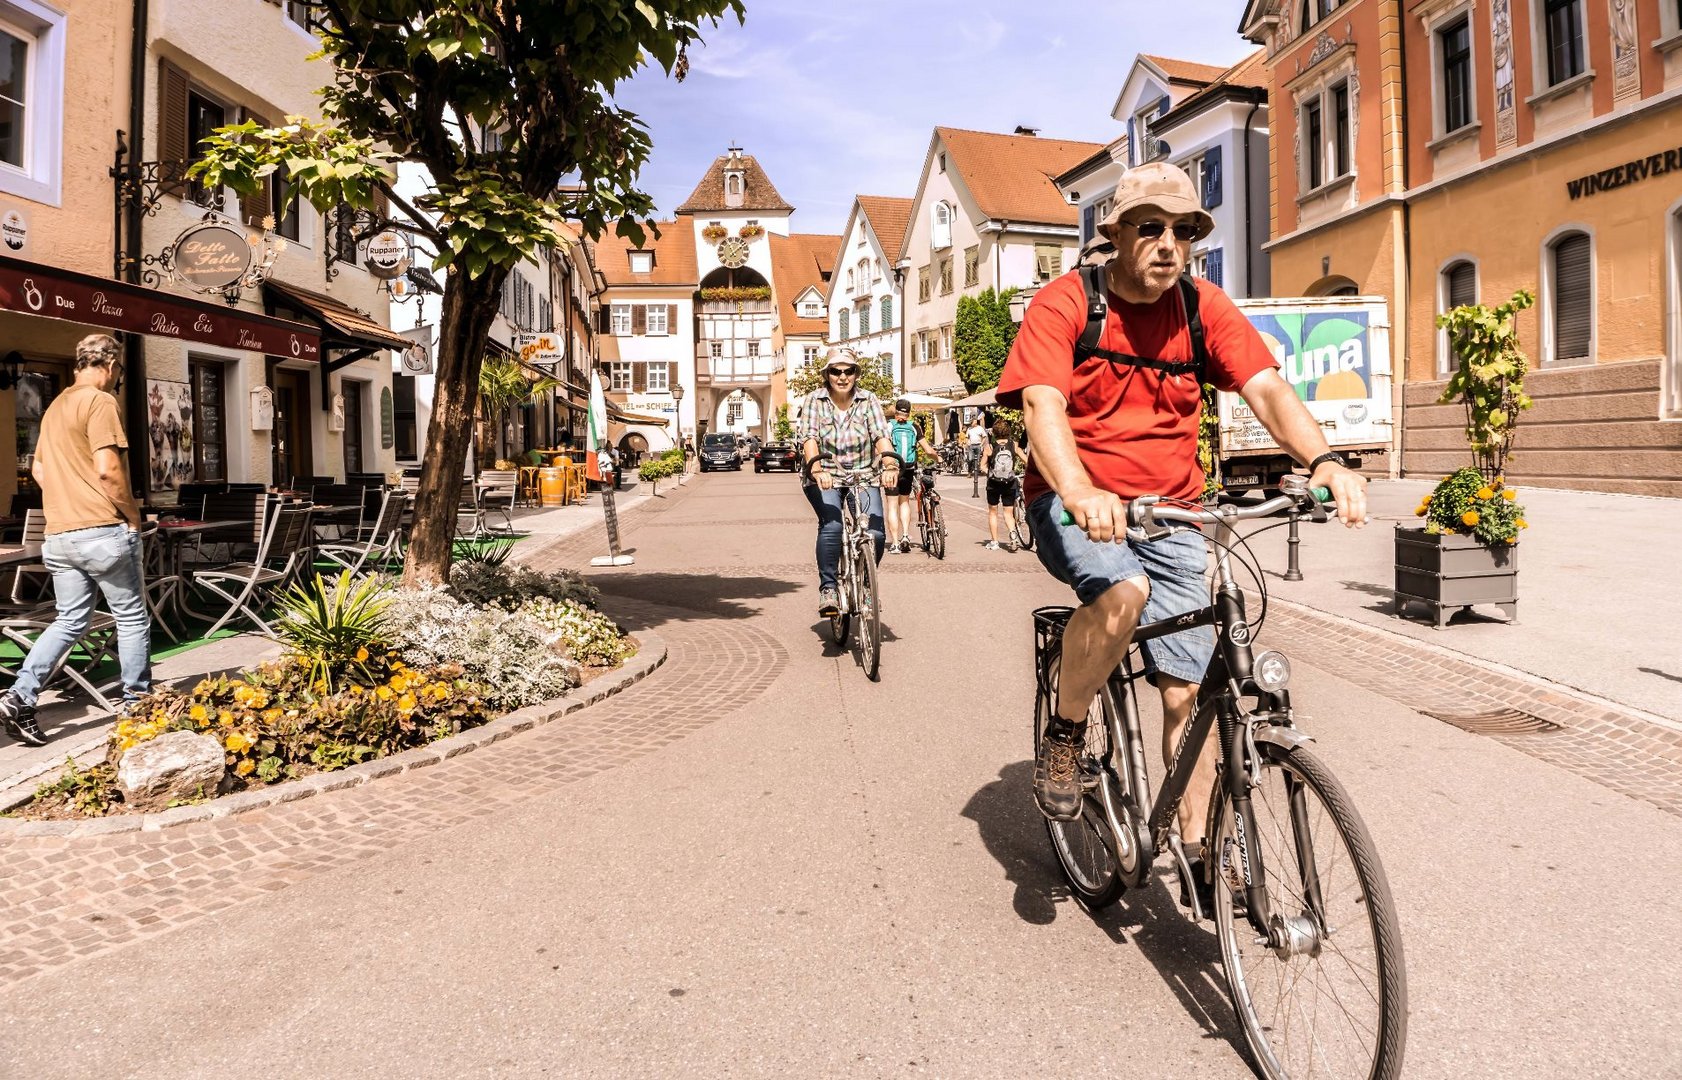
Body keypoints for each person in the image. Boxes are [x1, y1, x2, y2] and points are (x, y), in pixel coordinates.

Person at [997, 162, 1368, 907]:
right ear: (1118, 235)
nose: (1169, 244)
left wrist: (1325, 460)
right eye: (1151, 228)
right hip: (1078, 503)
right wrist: (1077, 488)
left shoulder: (1203, 307)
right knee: (1123, 591)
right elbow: (1041, 405)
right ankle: (1067, 735)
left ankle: (1204, 850)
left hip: (1173, 511)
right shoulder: (1068, 303)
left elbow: (1265, 387)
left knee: (1187, 697)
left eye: (1184, 231)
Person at [0, 334, 152, 745]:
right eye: (118, 370)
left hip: (60, 534)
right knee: (132, 617)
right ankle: (139, 708)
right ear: (111, 366)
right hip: (103, 531)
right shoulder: (100, 402)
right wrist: (133, 516)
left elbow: (39, 470)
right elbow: (107, 469)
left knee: (70, 620)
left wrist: (67, 500)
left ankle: (19, 696)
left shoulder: (55, 407)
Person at [796, 349, 900, 617]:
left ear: (856, 373)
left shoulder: (869, 400)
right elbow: (809, 437)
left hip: (863, 474)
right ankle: (828, 589)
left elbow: (880, 434)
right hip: (825, 475)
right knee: (832, 526)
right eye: (835, 371)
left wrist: (889, 464)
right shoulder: (814, 400)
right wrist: (817, 469)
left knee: (875, 533)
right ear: (827, 374)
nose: (842, 377)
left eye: (848, 371)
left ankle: (866, 585)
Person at [884, 399, 936, 553]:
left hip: (892, 469)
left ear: (896, 411)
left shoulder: (888, 426)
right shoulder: (914, 426)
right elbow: (927, 450)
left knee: (892, 506)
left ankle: (894, 543)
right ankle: (906, 535)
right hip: (908, 468)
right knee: (904, 502)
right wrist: (937, 457)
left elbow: (880, 448)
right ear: (909, 412)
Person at [979, 418, 1027, 552]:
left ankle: (994, 542)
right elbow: (1026, 461)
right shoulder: (1014, 445)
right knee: (1008, 513)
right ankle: (1012, 534)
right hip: (1009, 482)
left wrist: (989, 472)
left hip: (993, 484)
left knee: (993, 512)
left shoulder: (989, 447)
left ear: (994, 433)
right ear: (1008, 432)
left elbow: (982, 466)